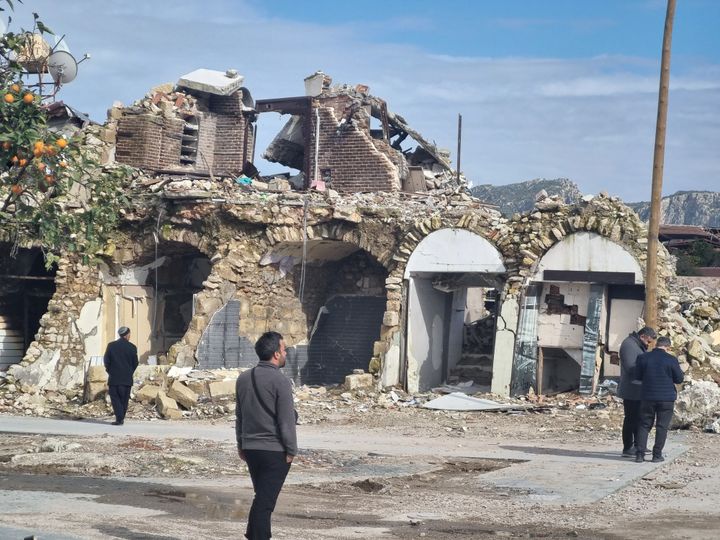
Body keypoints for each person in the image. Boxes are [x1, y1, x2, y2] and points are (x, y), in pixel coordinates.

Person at [236, 331, 297, 540]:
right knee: (265, 503)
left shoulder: (243, 378)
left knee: (261, 497)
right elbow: (286, 420)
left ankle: (253, 535)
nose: (286, 353)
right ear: (276, 354)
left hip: (251, 449)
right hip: (274, 452)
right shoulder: (281, 381)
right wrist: (291, 450)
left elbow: (240, 416)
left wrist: (241, 445)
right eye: (284, 349)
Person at [634, 335, 684, 463]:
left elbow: (637, 376)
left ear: (656, 345)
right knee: (662, 427)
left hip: (647, 396)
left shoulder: (643, 357)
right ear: (667, 347)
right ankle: (657, 455)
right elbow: (679, 379)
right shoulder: (671, 359)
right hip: (666, 398)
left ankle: (639, 455)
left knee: (644, 425)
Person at [617, 326, 656, 457]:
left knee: (640, 419)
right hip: (631, 389)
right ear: (643, 336)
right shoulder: (629, 345)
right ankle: (628, 447)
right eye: (648, 341)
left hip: (638, 389)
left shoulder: (636, 345)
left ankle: (639, 445)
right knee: (631, 419)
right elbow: (631, 368)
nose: (648, 344)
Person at [103, 326, 138, 426]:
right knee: (124, 399)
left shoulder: (111, 346)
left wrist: (110, 371)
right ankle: (121, 417)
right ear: (127, 335)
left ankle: (119, 418)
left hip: (114, 378)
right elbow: (135, 363)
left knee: (115, 399)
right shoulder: (132, 347)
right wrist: (129, 372)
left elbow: (106, 361)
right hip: (127, 379)